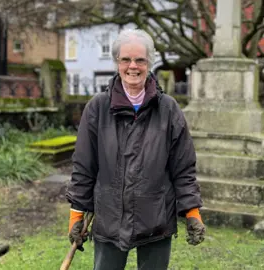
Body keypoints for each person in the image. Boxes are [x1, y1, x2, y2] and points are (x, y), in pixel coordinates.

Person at [65, 28, 206, 270]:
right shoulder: (98, 108)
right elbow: (84, 166)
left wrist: (191, 211)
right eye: (126, 59)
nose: (133, 66)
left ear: (149, 62)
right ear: (117, 62)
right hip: (109, 216)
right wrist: (77, 213)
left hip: (156, 217)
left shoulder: (168, 109)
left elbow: (183, 167)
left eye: (140, 60)